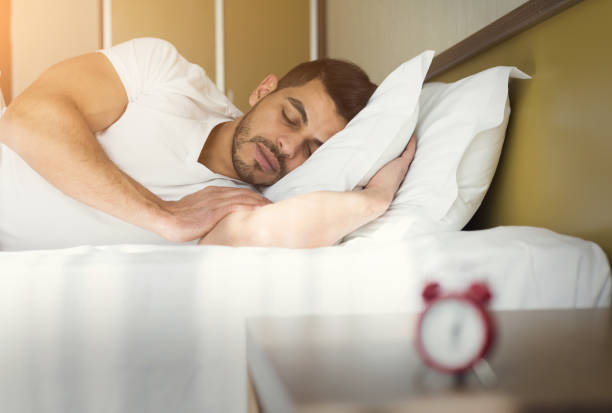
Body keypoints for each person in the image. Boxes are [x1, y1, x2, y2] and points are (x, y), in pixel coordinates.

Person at [0, 38, 415, 250]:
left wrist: (377, 197)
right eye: (290, 116)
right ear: (263, 90)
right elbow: (28, 119)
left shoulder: (238, 206)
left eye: (312, 150)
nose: (288, 146)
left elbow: (277, 234)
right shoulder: (165, 73)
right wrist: (161, 214)